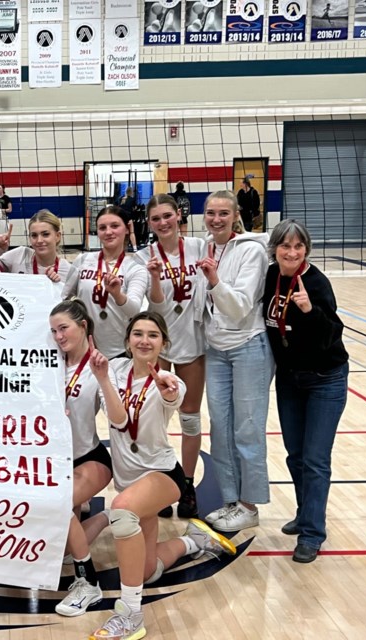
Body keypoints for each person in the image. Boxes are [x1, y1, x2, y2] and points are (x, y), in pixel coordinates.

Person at [90, 311, 236, 640]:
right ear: (128, 340)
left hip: (162, 475)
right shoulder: (114, 370)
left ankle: (130, 615)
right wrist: (102, 379)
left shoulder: (172, 380)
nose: (144, 340)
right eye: (138, 333)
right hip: (129, 478)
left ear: (163, 344)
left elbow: (173, 396)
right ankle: (193, 541)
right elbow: (117, 418)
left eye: (153, 335)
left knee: (123, 513)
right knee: (146, 571)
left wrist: (168, 391)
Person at [263, 220, 349, 563]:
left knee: (315, 459)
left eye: (299, 247)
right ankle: (303, 514)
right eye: (285, 246)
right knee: (295, 455)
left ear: (306, 250)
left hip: (325, 378)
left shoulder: (316, 283)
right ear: (275, 249)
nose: (292, 252)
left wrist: (309, 311)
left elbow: (333, 334)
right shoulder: (270, 276)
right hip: (289, 378)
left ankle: (312, 533)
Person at [198, 190, 275, 533]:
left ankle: (250, 504)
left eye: (223, 213)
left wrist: (214, 280)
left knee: (247, 428)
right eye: (211, 212)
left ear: (235, 216)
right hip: (216, 349)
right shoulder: (206, 247)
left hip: (248, 346)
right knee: (219, 426)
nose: (216, 219)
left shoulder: (253, 251)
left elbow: (241, 305)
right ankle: (231, 500)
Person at [138, 194, 209, 519]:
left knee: (190, 418)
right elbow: (156, 304)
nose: (163, 223)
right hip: (160, 345)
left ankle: (189, 484)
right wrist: (154, 277)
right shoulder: (143, 256)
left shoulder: (199, 246)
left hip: (192, 341)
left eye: (167, 216)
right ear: (149, 223)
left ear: (178, 216)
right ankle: (163, 482)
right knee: (154, 419)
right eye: (156, 219)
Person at [48, 300, 116, 617]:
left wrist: (104, 379)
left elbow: (118, 418)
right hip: (54, 463)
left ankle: (88, 583)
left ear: (83, 326)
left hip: (89, 459)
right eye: (54, 331)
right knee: (63, 547)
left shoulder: (99, 366)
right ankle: (106, 517)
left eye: (64, 328)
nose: (59, 336)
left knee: (58, 506)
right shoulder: (48, 362)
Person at [62, 205, 148, 359]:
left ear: (127, 228)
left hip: (121, 350)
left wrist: (117, 294)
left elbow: (134, 311)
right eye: (102, 227)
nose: (108, 232)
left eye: (115, 226)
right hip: (83, 347)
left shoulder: (135, 269)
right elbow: (65, 298)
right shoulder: (83, 260)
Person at [0, 209, 72, 287]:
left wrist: (56, 288)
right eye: (34, 235)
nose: (39, 240)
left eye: (45, 234)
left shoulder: (69, 272)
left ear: (57, 236)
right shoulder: (20, 255)